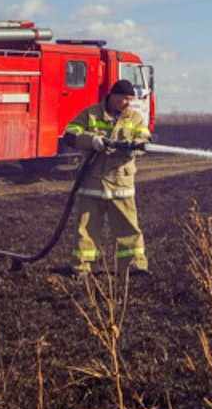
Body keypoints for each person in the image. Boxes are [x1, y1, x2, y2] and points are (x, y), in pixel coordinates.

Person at [61, 79, 152, 277]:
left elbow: (145, 139)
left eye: (130, 99)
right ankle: (83, 267)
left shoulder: (135, 118)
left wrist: (133, 146)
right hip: (92, 180)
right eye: (124, 98)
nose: (127, 103)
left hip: (121, 181)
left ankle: (134, 267)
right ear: (113, 96)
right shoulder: (91, 113)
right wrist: (92, 140)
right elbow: (69, 134)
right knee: (86, 229)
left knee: (128, 227)